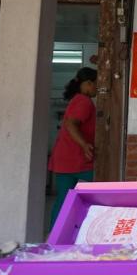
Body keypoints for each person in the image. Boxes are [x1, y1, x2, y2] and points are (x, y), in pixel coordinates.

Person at [48, 67, 98, 226]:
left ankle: (53, 237)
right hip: (77, 159)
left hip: (64, 158)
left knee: (63, 199)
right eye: (96, 84)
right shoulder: (84, 101)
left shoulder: (76, 99)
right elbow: (71, 124)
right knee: (105, 183)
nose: (97, 88)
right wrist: (84, 145)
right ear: (89, 83)